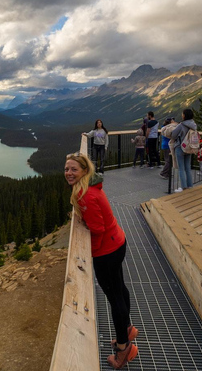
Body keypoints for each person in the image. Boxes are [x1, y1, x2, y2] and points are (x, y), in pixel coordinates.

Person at [64, 154, 138, 368]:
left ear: (84, 172)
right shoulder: (90, 188)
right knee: (120, 289)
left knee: (115, 298)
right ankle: (128, 329)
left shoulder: (85, 196)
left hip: (107, 251)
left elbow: (97, 228)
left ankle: (124, 349)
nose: (69, 173)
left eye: (73, 169)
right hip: (116, 242)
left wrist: (85, 227)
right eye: (67, 169)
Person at [169, 108, 198, 192]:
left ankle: (183, 187)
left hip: (180, 148)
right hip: (189, 147)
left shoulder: (181, 125)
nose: (182, 115)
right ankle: (190, 186)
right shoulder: (193, 125)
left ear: (184, 115)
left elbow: (173, 135)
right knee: (188, 168)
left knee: (181, 168)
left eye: (182, 114)